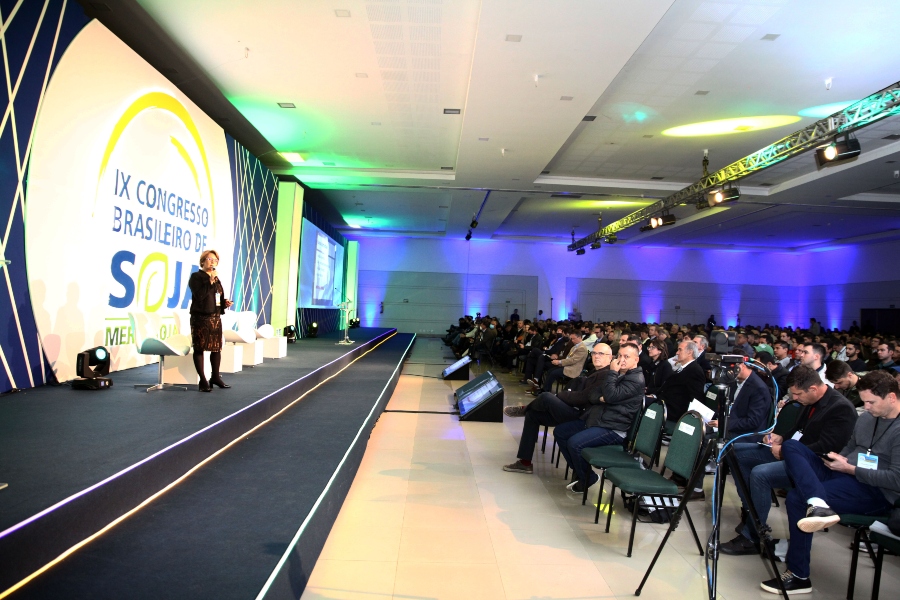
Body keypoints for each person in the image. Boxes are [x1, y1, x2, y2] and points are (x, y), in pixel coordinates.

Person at [761, 371, 900, 594]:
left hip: (875, 491)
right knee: (791, 447)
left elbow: (896, 479)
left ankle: (799, 574)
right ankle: (817, 501)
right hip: (844, 473)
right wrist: (839, 459)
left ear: (891, 398)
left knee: (797, 498)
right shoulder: (866, 418)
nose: (867, 407)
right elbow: (851, 447)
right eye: (864, 401)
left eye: (871, 402)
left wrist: (851, 468)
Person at [722, 366, 856, 556]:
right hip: (793, 452)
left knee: (760, 474)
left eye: (797, 394)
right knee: (735, 451)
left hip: (813, 465)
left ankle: (752, 536)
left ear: (813, 389)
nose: (794, 398)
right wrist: (781, 438)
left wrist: (787, 451)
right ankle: (751, 509)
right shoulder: (808, 401)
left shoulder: (841, 408)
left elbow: (827, 448)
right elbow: (798, 432)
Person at [501, 344, 614, 474]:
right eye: (594, 353)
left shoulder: (606, 375)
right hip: (573, 408)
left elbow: (584, 397)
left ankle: (524, 409)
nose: (596, 356)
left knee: (546, 396)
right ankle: (525, 462)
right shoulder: (594, 371)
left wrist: (560, 395)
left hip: (581, 416)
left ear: (610, 357)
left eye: (601, 354)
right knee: (532, 415)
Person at [553, 343, 644, 492]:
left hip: (614, 428)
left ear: (636, 360)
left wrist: (612, 375)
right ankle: (580, 470)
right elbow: (593, 395)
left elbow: (610, 395)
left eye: (626, 357)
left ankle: (587, 477)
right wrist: (603, 398)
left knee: (574, 443)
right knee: (561, 432)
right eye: (620, 356)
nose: (622, 360)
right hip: (599, 420)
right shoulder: (620, 374)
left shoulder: (635, 380)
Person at [188, 249, 234, 392]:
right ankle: (203, 380)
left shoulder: (216, 279)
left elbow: (216, 296)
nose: (213, 262)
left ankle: (215, 377)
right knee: (200, 348)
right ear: (203, 261)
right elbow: (200, 295)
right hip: (200, 318)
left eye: (215, 260)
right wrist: (210, 280)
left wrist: (224, 302)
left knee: (216, 348)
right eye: (210, 259)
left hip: (215, 318)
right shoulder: (196, 277)